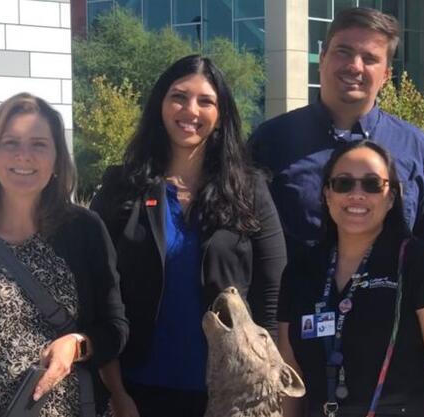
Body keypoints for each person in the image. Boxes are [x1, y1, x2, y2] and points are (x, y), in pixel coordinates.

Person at [90, 55, 287, 417]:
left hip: (231, 393)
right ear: (160, 105)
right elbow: (97, 291)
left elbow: (272, 292)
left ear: (221, 114)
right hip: (137, 390)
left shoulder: (249, 189)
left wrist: (267, 380)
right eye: (178, 96)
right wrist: (116, 392)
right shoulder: (122, 187)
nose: (190, 110)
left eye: (205, 101)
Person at [250, 7, 424, 261]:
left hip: (391, 300)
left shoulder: (416, 148)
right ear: (322, 58)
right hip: (294, 299)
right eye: (343, 52)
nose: (354, 66)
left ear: (387, 75)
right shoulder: (270, 141)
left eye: (369, 58)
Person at [277, 140, 424, 417]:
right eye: (343, 184)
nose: (357, 194)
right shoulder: (300, 271)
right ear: (327, 194)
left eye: (372, 184)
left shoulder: (422, 265)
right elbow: (289, 372)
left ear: (391, 198)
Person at [0, 93, 128, 417]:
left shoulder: (84, 228)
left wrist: (77, 344)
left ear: (58, 159)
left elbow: (115, 327)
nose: (24, 156)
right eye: (10, 142)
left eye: (39, 144)